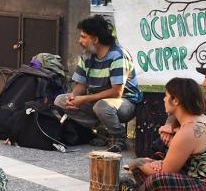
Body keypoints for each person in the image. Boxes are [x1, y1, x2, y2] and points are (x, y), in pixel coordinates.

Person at [124, 78, 206, 191]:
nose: (164, 99)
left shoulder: (189, 130)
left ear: (176, 101)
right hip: (191, 179)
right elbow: (170, 165)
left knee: (157, 178)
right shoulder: (197, 119)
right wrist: (152, 163)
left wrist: (138, 162)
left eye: (166, 95)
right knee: (145, 167)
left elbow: (166, 172)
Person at [54, 15, 142, 152]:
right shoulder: (86, 55)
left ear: (95, 39)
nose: (79, 41)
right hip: (97, 102)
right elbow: (81, 86)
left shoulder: (118, 55)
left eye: (83, 37)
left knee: (101, 106)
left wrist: (84, 99)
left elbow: (116, 93)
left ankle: (119, 137)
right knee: (60, 100)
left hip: (125, 102)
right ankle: (102, 130)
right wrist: (73, 98)